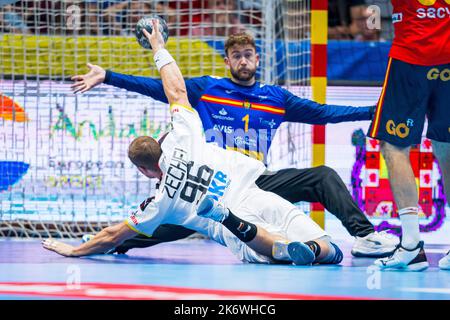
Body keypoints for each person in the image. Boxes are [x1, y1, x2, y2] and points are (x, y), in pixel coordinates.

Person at [70, 32, 399, 258]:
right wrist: (109, 76)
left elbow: (324, 113)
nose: (243, 61)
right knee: (168, 219)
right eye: (235, 56)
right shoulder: (207, 89)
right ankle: (110, 244)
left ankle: (365, 237)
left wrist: (372, 111)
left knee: (322, 176)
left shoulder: (276, 97)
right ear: (227, 61)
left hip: (256, 181)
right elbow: (160, 88)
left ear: (257, 58)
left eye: (247, 55)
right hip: (212, 185)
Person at [368, 0, 449, 271]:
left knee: (394, 146)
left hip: (411, 59)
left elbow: (372, 15)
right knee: (447, 147)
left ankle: (412, 245)